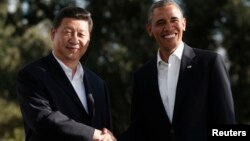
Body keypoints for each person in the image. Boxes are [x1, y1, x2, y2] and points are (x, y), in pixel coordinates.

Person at [119, 0, 236, 141]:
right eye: (161, 22)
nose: (168, 27)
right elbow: (139, 129)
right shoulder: (142, 76)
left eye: (174, 20)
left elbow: (226, 124)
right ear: (150, 29)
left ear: (183, 24)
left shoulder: (210, 63)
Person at [16, 6, 116, 141]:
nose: (74, 40)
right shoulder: (32, 75)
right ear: (53, 34)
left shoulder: (98, 84)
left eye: (81, 34)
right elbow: (43, 120)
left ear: (89, 39)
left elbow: (105, 129)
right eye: (68, 32)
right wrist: (93, 134)